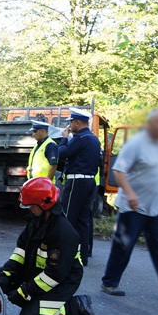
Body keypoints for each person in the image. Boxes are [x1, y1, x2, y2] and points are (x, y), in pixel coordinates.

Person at [101, 109, 158, 301]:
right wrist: (130, 194)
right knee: (123, 246)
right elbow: (119, 171)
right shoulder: (136, 144)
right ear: (150, 124)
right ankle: (109, 283)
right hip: (133, 206)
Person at [0, 177, 83, 315]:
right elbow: (20, 252)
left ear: (43, 204)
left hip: (60, 282)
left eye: (31, 205)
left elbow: (54, 276)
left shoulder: (64, 233)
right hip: (38, 273)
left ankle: (74, 307)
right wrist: (7, 273)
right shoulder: (37, 221)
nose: (29, 208)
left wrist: (25, 292)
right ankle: (36, 304)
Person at [57, 108, 102, 265]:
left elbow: (62, 153)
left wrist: (64, 139)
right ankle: (83, 256)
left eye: (71, 123)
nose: (70, 126)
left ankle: (66, 254)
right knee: (84, 220)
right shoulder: (94, 139)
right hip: (90, 182)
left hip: (77, 181)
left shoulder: (80, 138)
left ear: (77, 122)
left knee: (69, 217)